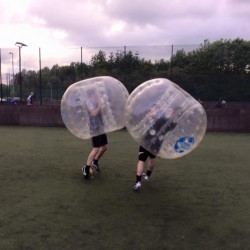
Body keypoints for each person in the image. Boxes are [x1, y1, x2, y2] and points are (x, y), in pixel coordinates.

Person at [82, 89, 108, 180]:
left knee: (104, 147)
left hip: (101, 127)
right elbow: (93, 113)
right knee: (96, 148)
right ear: (92, 93)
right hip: (94, 128)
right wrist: (101, 105)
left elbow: (102, 111)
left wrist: (103, 104)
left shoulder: (97, 100)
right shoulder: (88, 101)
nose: (98, 94)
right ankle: (86, 168)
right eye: (97, 92)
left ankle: (95, 161)